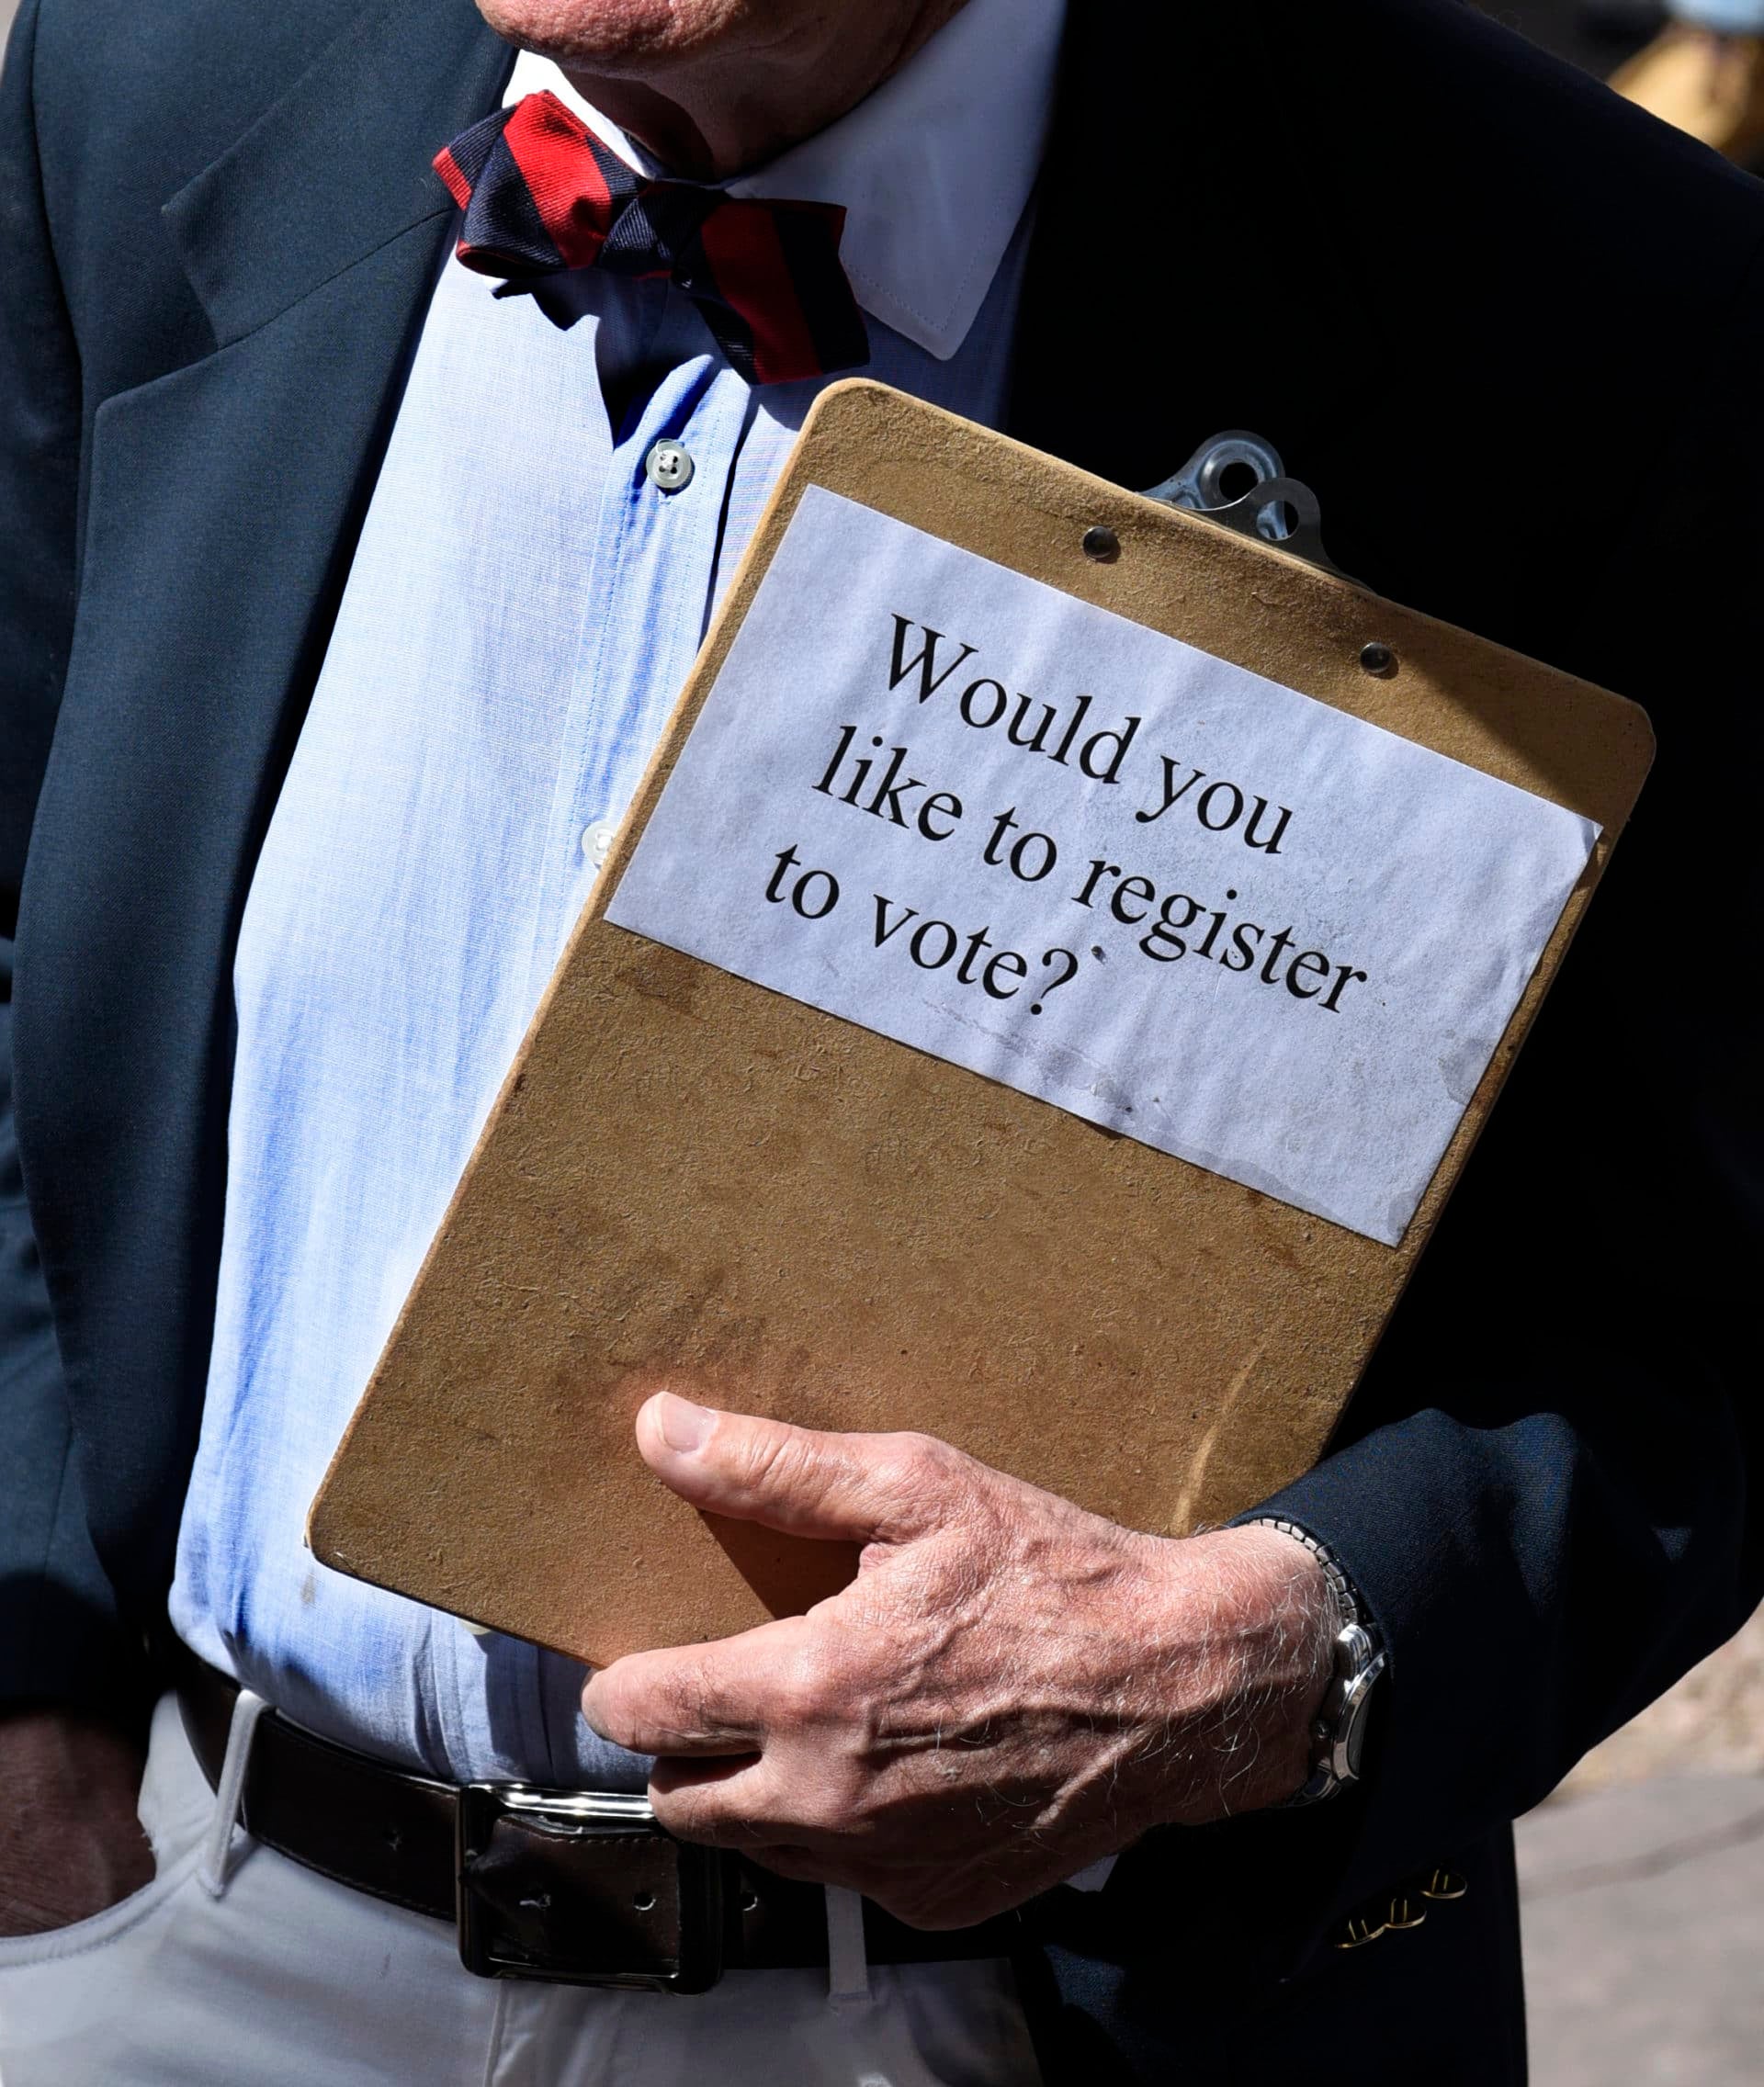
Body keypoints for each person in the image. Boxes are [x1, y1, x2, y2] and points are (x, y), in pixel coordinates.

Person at [1, 0, 1758, 2079]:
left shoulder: (1600, 292)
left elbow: (1698, 1315)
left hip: (1028, 2008)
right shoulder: (161, 73)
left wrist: (1291, 1650)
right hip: (184, 1937)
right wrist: (23, 1674)